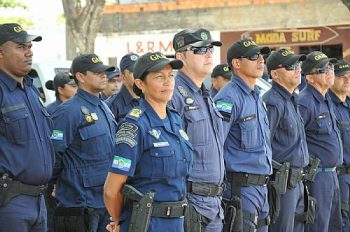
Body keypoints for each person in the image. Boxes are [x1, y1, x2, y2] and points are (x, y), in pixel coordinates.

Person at [104, 51, 192, 232]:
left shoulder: (175, 119)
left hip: (177, 221)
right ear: (140, 84)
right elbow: (111, 190)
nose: (168, 82)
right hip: (148, 223)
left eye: (170, 76)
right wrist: (118, 220)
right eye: (159, 77)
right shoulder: (134, 126)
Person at [51, 53, 117, 232]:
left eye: (104, 71)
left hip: (105, 200)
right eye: (97, 72)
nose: (104, 75)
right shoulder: (68, 111)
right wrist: (57, 184)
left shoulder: (103, 106)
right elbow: (54, 154)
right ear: (80, 76)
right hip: (80, 203)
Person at [169, 28, 225, 232]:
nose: (209, 54)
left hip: (214, 205)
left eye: (210, 48)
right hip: (191, 204)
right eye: (200, 50)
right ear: (180, 56)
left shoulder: (205, 94)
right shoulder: (173, 95)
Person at [0, 23, 54, 231]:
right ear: (1, 52)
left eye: (30, 46)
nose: (29, 52)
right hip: (9, 202)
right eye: (21, 47)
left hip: (39, 201)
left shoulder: (30, 91)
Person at [213, 38, 272, 232]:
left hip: (261, 187)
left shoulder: (256, 96)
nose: (261, 60)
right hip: (241, 188)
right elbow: (216, 144)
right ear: (236, 63)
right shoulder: (228, 97)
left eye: (262, 56)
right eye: (254, 56)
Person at [262, 48, 309, 232]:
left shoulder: (292, 99)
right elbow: (264, 145)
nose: (298, 70)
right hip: (282, 184)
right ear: (274, 74)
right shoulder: (272, 102)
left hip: (298, 181)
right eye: (291, 67)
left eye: (298, 65)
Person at [298, 51, 342, 232]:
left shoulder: (326, 100)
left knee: (334, 226)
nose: (329, 72)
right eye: (323, 69)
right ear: (309, 77)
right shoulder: (305, 102)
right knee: (318, 227)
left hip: (332, 175)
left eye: (330, 68)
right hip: (316, 178)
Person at [329, 59, 350, 232]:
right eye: (342, 77)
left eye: (349, 76)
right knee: (342, 222)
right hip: (338, 175)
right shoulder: (327, 105)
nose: (347, 80)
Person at [106, 53, 140, 122]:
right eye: (133, 72)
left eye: (140, 70)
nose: (139, 75)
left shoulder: (151, 98)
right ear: (123, 77)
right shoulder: (112, 105)